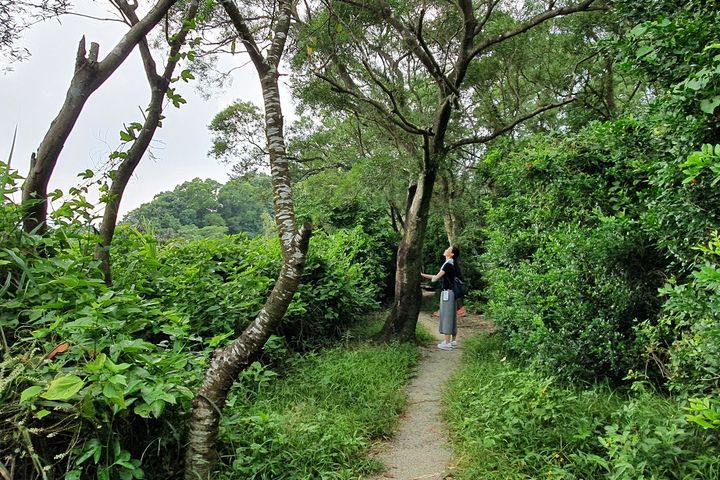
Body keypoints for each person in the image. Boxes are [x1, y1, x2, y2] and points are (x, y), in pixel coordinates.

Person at [421, 246, 459, 350]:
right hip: (453, 293)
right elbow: (438, 275)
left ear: (452, 254)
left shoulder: (447, 265)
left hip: (447, 293)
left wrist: (422, 275)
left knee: (446, 315)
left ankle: (447, 343)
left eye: (448, 249)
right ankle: (453, 341)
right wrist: (423, 275)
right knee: (452, 315)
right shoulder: (453, 264)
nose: (446, 249)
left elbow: (436, 277)